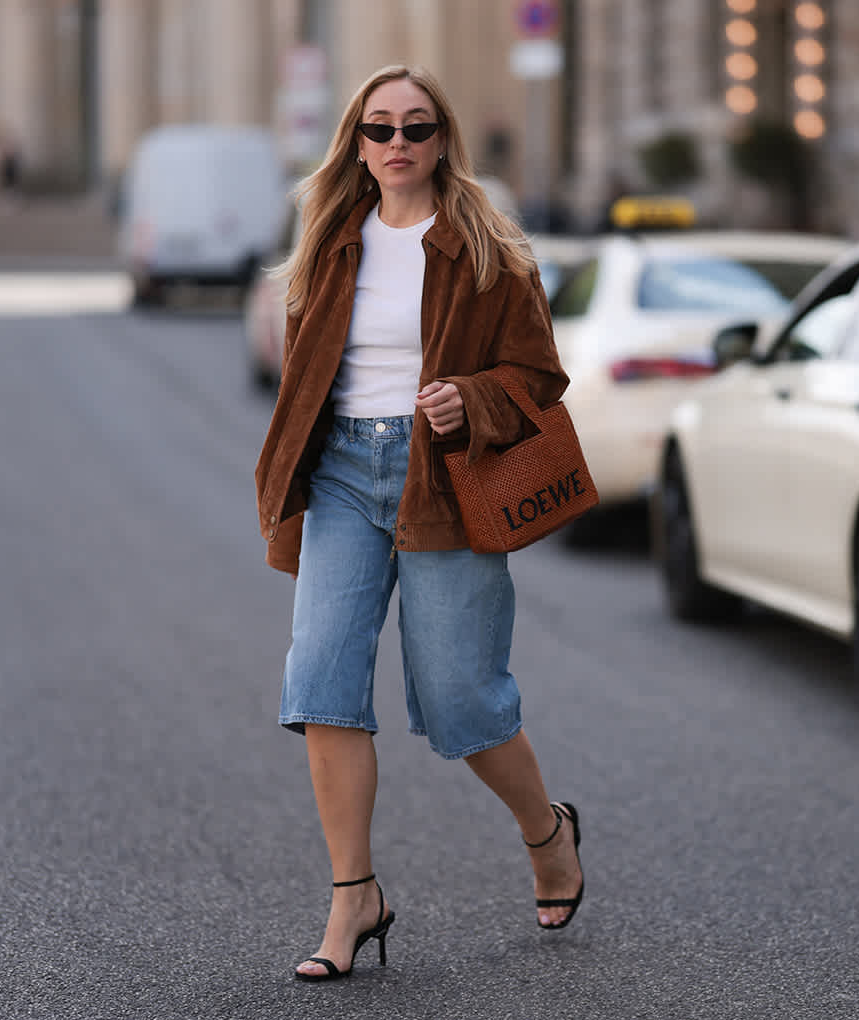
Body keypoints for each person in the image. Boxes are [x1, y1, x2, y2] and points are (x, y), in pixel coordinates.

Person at [254, 64, 585, 982]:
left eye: (416, 126)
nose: (396, 143)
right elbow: (303, 372)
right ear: (356, 144)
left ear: (443, 141)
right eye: (379, 128)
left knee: (462, 702)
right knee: (320, 681)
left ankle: (547, 832)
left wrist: (470, 400)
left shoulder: (488, 248)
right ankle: (353, 895)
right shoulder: (328, 241)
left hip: (442, 479)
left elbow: (539, 377)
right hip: (342, 473)